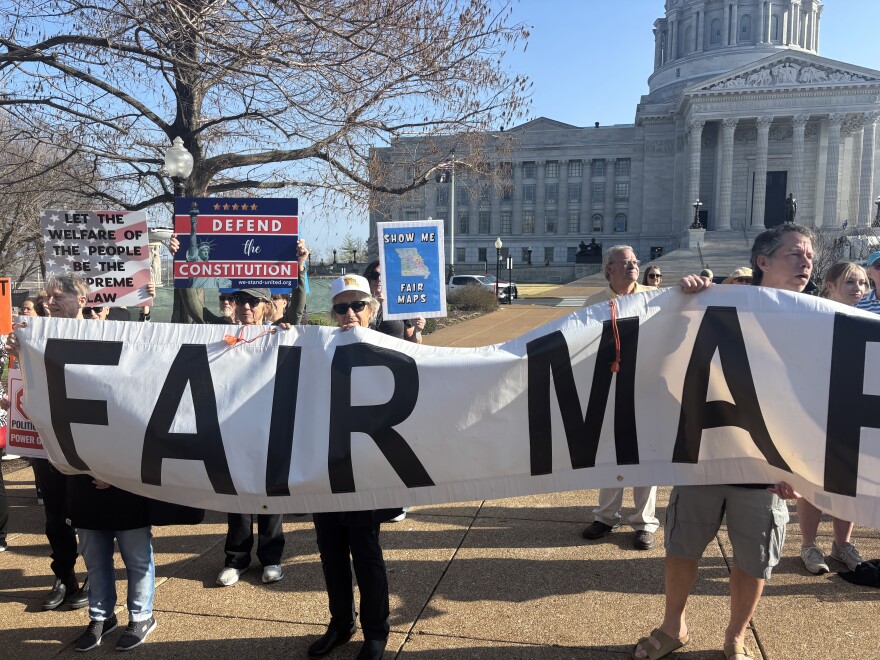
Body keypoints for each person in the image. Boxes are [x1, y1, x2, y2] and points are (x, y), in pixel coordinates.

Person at [633, 223, 811, 660]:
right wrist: (683, 303)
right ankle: (674, 625)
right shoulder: (715, 307)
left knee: (754, 560)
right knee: (682, 547)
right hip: (708, 455)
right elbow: (665, 362)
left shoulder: (819, 324)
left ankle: (735, 635)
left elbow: (818, 408)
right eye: (795, 253)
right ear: (763, 262)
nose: (806, 261)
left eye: (809, 255)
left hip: (767, 470)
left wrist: (803, 473)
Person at [307, 274, 401, 660]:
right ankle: (340, 623)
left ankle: (376, 631)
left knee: (365, 551)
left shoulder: (388, 346)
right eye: (341, 308)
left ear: (372, 310)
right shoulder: (318, 349)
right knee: (330, 552)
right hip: (326, 468)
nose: (349, 314)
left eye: (357, 306)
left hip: (366, 469)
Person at [70, 296, 162, 651]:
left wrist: (115, 470)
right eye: (88, 309)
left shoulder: (133, 361)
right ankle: (101, 617)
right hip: (84, 478)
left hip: (125, 479)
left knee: (136, 555)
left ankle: (141, 616)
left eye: (98, 309)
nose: (93, 315)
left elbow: (142, 420)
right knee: (94, 556)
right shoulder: (67, 358)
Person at [6, 274, 89, 611]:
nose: (50, 302)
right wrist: (16, 359)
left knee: (93, 515)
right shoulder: (33, 335)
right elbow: (19, 382)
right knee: (55, 517)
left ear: (81, 299)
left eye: (59, 296)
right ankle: (64, 576)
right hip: (48, 442)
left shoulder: (104, 333)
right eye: (47, 297)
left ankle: (97, 577)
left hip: (91, 443)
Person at [581, 245, 659, 550]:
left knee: (647, 456)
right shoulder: (593, 304)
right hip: (609, 387)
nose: (634, 266)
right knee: (610, 454)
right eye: (626, 263)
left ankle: (644, 522)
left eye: (636, 262)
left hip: (647, 388)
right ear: (609, 269)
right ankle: (606, 517)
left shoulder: (653, 298)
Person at [794, 261, 868, 575]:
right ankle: (809, 544)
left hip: (853, 410)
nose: (858, 289)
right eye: (850, 282)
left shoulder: (869, 321)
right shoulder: (812, 317)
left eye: (863, 283)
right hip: (817, 410)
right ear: (830, 284)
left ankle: (842, 543)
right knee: (813, 480)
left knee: (847, 481)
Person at [362, 261, 425, 344]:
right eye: (374, 275)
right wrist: (377, 308)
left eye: (384, 276)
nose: (379, 279)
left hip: (397, 356)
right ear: (368, 279)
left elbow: (414, 343)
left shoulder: (399, 304)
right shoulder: (358, 305)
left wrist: (418, 331)